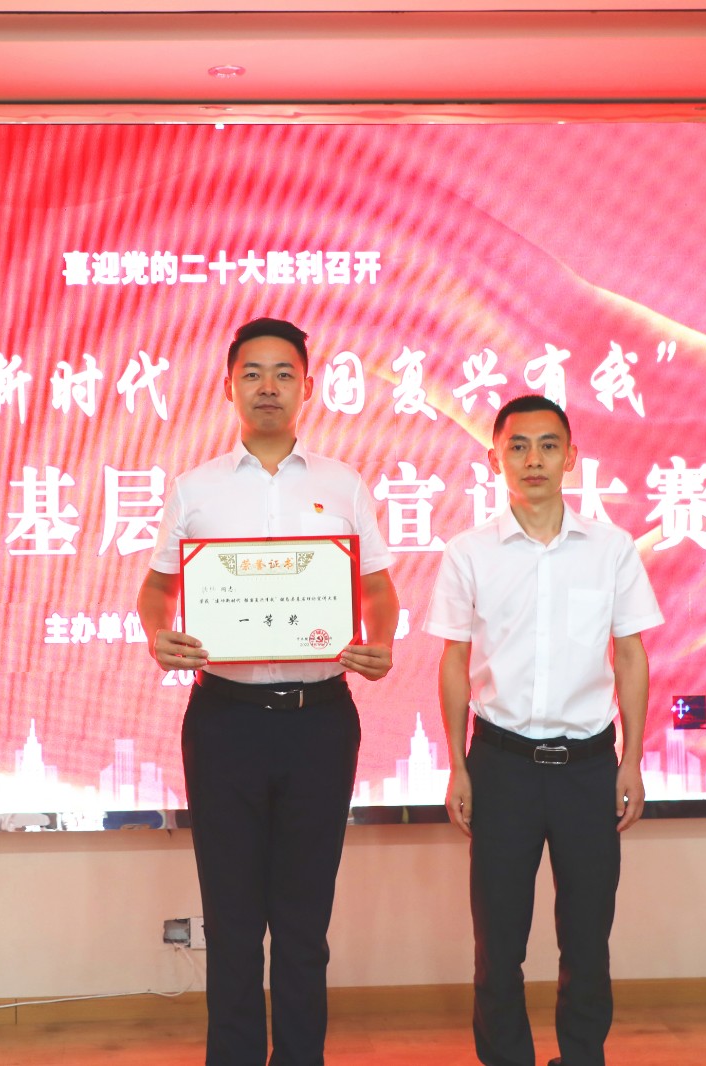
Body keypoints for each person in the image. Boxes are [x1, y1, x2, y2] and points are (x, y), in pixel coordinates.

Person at [136, 316, 399, 1066]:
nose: (268, 387)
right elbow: (155, 590)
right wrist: (159, 633)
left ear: (308, 387)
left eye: (284, 373)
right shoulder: (196, 490)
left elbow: (379, 590)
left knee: (304, 921)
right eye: (252, 373)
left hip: (320, 721)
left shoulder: (342, 484)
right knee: (232, 920)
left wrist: (380, 642)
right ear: (228, 387)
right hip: (226, 721)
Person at [422, 394, 662, 1066]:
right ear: (494, 457)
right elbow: (453, 661)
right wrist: (457, 765)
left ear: (571, 457)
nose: (534, 459)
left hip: (589, 767)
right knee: (498, 942)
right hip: (501, 766)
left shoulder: (612, 550)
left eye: (549, 445)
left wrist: (632, 761)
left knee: (587, 939)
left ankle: (582, 1056)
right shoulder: (469, 553)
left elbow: (631, 656)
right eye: (518, 446)